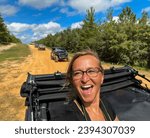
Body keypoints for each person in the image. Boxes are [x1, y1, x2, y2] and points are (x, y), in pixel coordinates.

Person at [66, 49, 118, 121]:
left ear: (102, 77)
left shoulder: (105, 104)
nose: (84, 79)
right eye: (77, 73)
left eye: (91, 71)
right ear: (72, 80)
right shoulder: (67, 117)